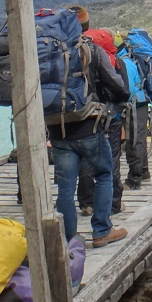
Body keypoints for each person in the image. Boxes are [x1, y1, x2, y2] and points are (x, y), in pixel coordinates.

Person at [47, 22, 130, 248]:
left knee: (65, 185)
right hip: (88, 126)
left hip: (57, 128)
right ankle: (102, 230)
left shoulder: (47, 51)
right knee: (104, 173)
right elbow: (116, 84)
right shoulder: (91, 49)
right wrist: (120, 99)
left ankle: (67, 239)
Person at [77, 26, 128, 217]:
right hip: (109, 116)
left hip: (83, 116)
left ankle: (86, 202)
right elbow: (122, 89)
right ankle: (114, 204)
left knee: (86, 158)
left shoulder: (79, 59)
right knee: (112, 159)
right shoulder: (115, 62)